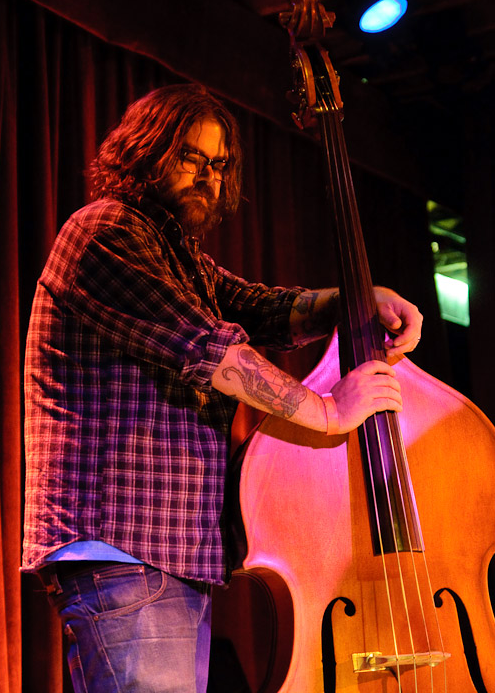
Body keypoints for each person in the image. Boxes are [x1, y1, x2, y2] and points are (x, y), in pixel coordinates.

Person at [22, 84, 423, 693]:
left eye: (219, 164)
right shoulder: (104, 231)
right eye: (190, 157)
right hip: (121, 545)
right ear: (144, 149)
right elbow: (205, 348)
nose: (207, 176)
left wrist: (358, 301)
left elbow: (264, 309)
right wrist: (326, 409)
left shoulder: (181, 257)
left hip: (169, 550)